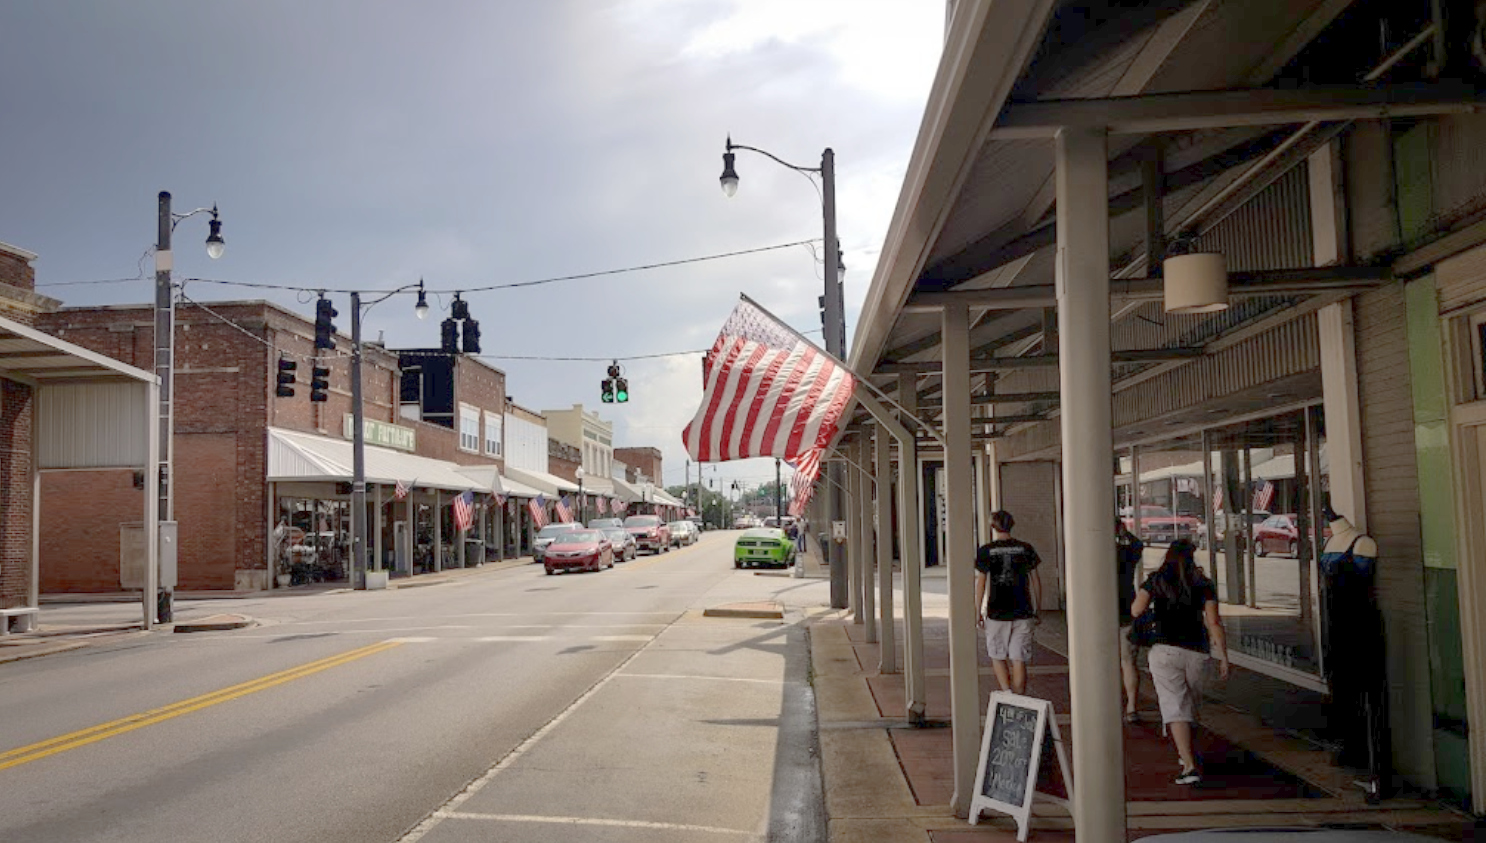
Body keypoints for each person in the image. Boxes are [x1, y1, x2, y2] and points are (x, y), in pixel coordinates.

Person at [1130, 539, 1229, 785]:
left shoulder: (1157, 579)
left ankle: (1189, 765)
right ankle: (1187, 755)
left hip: (1164, 650)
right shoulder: (1203, 582)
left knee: (1175, 705)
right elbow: (1214, 622)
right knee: (1190, 702)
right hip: (1197, 651)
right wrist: (1224, 656)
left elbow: (1135, 610)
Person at [974, 510, 1042, 695]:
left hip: (997, 611)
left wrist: (977, 609)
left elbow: (980, 582)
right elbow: (1035, 580)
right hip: (1023, 610)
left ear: (993, 527)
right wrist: (1037, 608)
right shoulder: (1026, 548)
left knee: (997, 655)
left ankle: (1007, 694)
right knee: (1019, 658)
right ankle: (1020, 697)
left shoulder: (986, 551)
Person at [1115, 517, 1145, 723]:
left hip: (1098, 613)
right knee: (1128, 661)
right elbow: (1138, 544)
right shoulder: (1127, 552)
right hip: (1126, 609)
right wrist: (1124, 533)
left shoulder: (1095, 553)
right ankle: (1132, 706)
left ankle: (1106, 701)